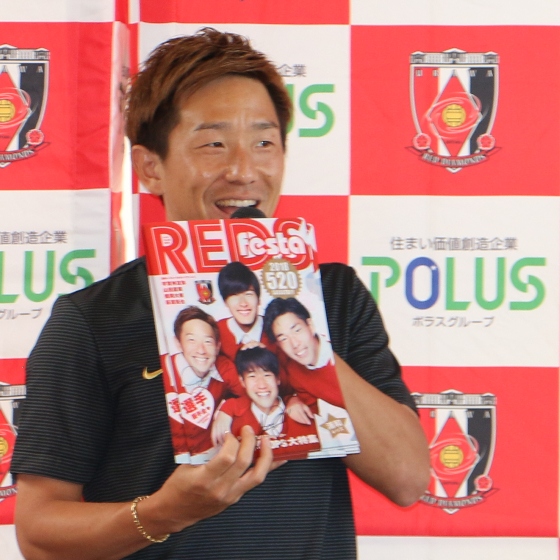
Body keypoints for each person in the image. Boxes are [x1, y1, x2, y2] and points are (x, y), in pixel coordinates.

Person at [11, 27, 430, 560]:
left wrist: (294, 312)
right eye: (213, 144)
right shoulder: (92, 319)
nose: (243, 170)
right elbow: (40, 534)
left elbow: (408, 477)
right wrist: (164, 513)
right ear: (150, 167)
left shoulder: (336, 295)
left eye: (264, 143)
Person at [216, 346, 321, 460]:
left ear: (278, 379)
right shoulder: (232, 422)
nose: (262, 385)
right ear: (242, 381)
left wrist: (293, 398)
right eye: (252, 376)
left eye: (267, 375)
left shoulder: (305, 411)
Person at [168, 306, 245, 460]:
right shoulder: (166, 367)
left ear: (217, 347)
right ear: (178, 343)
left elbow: (252, 396)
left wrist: (227, 410)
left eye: (208, 341)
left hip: (211, 454)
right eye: (191, 340)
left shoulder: (223, 368)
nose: (201, 350)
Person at [216, 261, 274, 361]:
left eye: (248, 294)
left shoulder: (274, 329)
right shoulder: (217, 331)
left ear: (258, 299)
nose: (243, 303)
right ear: (225, 302)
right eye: (234, 295)